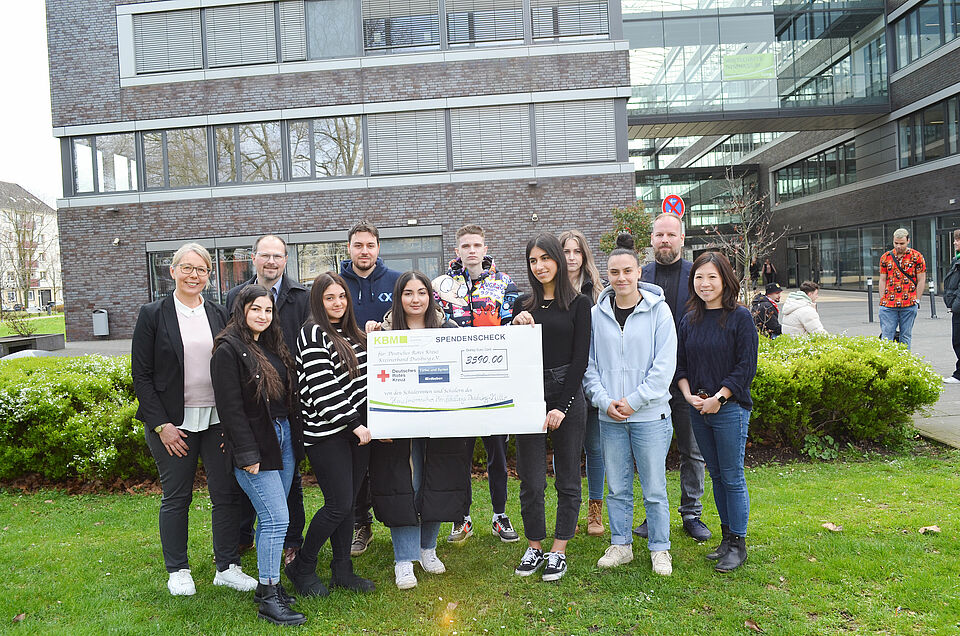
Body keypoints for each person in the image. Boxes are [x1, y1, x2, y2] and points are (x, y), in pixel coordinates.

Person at [132, 242, 256, 596]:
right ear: (172, 271)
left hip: (217, 420)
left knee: (225, 494)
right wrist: (161, 425)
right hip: (173, 425)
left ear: (209, 275)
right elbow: (141, 375)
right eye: (186, 268)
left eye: (200, 269)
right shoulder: (152, 314)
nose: (193, 275)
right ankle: (178, 569)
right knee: (177, 497)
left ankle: (227, 566)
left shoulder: (218, 313)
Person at [365, 271, 473, 589]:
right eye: (408, 293)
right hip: (399, 428)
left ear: (430, 296)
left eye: (422, 292)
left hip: (439, 424)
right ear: (398, 298)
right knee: (404, 486)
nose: (416, 299)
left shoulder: (448, 329)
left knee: (435, 482)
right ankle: (404, 559)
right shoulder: (384, 333)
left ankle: (428, 549)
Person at [211, 285, 306, 626]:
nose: (263, 315)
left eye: (268, 310)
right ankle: (268, 597)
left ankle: (271, 585)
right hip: (256, 445)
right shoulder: (227, 349)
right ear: (241, 310)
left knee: (272, 519)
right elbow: (231, 409)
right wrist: (247, 454)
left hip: (282, 438)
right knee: (277, 518)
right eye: (256, 309)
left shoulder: (271, 344)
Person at [583, 233, 677, 576]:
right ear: (606, 275)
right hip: (610, 416)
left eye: (627, 271)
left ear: (639, 273)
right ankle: (621, 544)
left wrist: (634, 402)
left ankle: (660, 549)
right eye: (614, 272)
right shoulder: (596, 315)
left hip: (650, 415)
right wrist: (604, 401)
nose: (621, 278)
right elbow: (589, 366)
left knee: (654, 487)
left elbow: (663, 367)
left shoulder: (659, 312)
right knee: (617, 486)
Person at [284, 272, 376, 596]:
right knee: (337, 504)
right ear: (318, 302)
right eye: (329, 298)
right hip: (327, 433)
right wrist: (355, 424)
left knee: (348, 504)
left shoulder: (352, 333)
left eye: (342, 296)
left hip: (357, 431)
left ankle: (342, 572)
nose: (338, 303)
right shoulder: (312, 333)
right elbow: (324, 389)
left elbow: (366, 383)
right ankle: (302, 566)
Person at [511, 233, 591, 582]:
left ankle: (559, 549)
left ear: (558, 260)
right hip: (528, 392)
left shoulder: (579, 303)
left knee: (568, 477)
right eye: (533, 260)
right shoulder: (521, 305)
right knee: (530, 478)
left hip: (566, 392)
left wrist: (562, 406)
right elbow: (509, 355)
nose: (540, 266)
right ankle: (535, 545)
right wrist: (514, 327)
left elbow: (580, 360)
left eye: (545, 258)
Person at [432, 224, 520, 544]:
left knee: (497, 451)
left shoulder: (503, 283)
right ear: (457, 251)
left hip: (493, 380)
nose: (471, 250)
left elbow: (512, 329)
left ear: (485, 249)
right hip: (457, 383)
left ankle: (499, 515)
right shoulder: (441, 285)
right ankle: (461, 517)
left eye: (477, 245)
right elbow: (433, 326)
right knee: (460, 454)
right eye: (465, 245)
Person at [227, 235, 310, 567]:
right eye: (265, 255)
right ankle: (248, 540)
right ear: (253, 258)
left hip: (288, 409)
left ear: (286, 260)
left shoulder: (301, 298)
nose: (272, 261)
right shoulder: (235, 299)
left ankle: (291, 543)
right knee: (261, 490)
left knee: (290, 487)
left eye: (278, 256)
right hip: (253, 414)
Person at [676, 251, 758, 574]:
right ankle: (726, 538)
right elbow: (680, 365)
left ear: (725, 279)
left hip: (729, 410)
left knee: (732, 476)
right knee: (717, 475)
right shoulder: (689, 319)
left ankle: (738, 543)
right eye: (699, 277)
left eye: (712, 277)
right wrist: (689, 396)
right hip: (698, 409)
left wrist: (719, 399)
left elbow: (745, 368)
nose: (705, 283)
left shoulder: (740, 317)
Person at [636, 213, 712, 543]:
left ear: (682, 239)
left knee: (692, 450)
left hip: (689, 378)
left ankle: (691, 514)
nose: (664, 240)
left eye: (671, 234)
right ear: (651, 240)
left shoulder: (697, 275)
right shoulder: (639, 276)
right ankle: (654, 516)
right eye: (659, 235)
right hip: (649, 378)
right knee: (650, 452)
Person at [339, 221, 402, 557]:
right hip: (350, 383)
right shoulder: (336, 284)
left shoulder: (395, 282)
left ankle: (397, 520)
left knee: (390, 459)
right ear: (348, 248)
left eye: (370, 245)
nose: (364, 251)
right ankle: (360, 523)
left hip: (392, 383)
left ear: (378, 248)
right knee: (356, 458)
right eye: (358, 245)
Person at [559, 229, 605, 536]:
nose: (572, 258)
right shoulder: (554, 292)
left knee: (595, 449)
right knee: (568, 451)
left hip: (595, 379)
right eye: (566, 252)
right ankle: (570, 511)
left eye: (577, 252)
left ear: (584, 256)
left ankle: (595, 512)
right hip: (566, 383)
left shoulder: (598, 294)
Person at [879, 228, 926, 349]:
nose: (898, 246)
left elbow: (921, 279)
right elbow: (882, 279)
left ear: (908, 241)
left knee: (906, 336)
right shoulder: (886, 257)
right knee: (886, 336)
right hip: (888, 304)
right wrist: (882, 300)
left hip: (909, 303)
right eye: (896, 243)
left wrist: (917, 300)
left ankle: (904, 364)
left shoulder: (917, 256)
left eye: (902, 243)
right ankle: (887, 364)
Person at [942, 230, 960, 384]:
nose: (954, 242)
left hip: (959, 309)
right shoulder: (957, 260)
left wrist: (955, 305)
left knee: (958, 341)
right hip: (956, 308)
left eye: (957, 240)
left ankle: (959, 374)